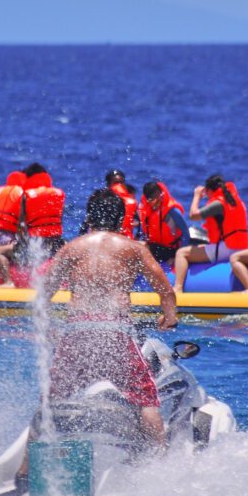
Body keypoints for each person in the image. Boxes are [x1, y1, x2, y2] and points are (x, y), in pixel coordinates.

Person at [39, 188, 178, 448]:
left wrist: (48, 328)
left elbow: (43, 295)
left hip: (77, 331)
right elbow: (165, 290)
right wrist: (169, 317)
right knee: (146, 400)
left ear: (90, 218)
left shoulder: (72, 248)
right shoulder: (133, 248)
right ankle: (161, 460)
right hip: (114, 331)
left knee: (51, 399)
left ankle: (26, 468)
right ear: (120, 219)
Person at [0, 163, 66, 286]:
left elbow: (21, 225)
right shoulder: (58, 194)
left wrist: (18, 241)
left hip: (35, 246)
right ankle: (65, 286)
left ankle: (8, 282)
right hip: (55, 243)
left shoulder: (26, 196)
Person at [173, 174, 248, 291]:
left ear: (209, 190)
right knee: (202, 246)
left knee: (181, 253)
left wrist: (197, 196)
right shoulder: (236, 201)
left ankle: (177, 288)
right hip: (241, 247)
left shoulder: (218, 204)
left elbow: (193, 215)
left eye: (206, 193)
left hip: (227, 249)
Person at [138, 180, 189, 264]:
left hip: (170, 250)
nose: (158, 201)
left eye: (159, 196)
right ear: (147, 199)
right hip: (154, 248)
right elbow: (142, 233)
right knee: (135, 246)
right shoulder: (144, 210)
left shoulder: (172, 210)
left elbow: (186, 234)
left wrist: (177, 257)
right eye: (153, 200)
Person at [105, 169, 139, 238]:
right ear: (108, 185)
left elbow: (139, 222)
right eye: (116, 183)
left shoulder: (130, 202)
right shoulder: (102, 200)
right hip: (107, 238)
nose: (119, 185)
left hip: (125, 239)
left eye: (122, 182)